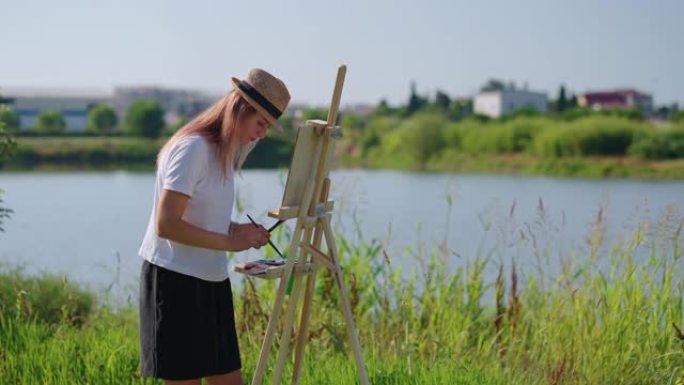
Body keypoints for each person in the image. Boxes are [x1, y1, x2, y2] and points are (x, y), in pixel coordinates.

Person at [138, 68, 291, 385]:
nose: (263, 134)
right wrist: (231, 243)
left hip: (211, 282)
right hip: (175, 281)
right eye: (260, 122)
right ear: (239, 108)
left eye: (268, 126)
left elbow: (203, 221)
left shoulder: (221, 153)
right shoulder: (193, 149)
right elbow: (167, 225)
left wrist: (240, 233)